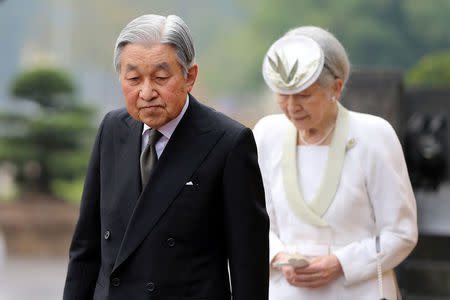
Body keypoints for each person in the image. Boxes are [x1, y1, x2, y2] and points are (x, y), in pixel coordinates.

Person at [63, 14, 269, 300]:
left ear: (190, 77)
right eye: (133, 78)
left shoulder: (228, 143)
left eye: (160, 78)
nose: (147, 92)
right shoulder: (112, 129)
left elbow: (249, 265)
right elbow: (86, 248)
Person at [253, 26, 417, 299]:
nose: (292, 106)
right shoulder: (266, 134)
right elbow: (255, 221)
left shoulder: (374, 136)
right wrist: (276, 256)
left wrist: (342, 263)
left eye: (304, 95)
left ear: (336, 88)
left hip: (359, 290)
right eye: (283, 95)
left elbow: (401, 232)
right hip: (287, 290)